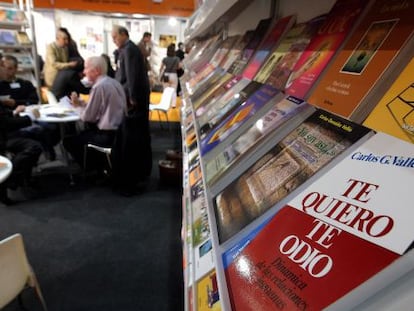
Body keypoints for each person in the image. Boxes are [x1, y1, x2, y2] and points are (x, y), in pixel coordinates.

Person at [63, 56, 126, 172]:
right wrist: (81, 104)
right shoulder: (114, 83)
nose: (84, 72)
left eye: (86, 68)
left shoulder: (99, 87)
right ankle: (97, 165)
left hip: (106, 135)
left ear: (96, 70)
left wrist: (77, 107)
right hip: (121, 133)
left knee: (68, 141)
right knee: (82, 136)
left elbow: (88, 117)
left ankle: (92, 169)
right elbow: (100, 108)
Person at [111, 25, 152, 194]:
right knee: (136, 136)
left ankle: (135, 175)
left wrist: (132, 98)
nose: (114, 40)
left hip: (133, 101)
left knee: (133, 137)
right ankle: (139, 173)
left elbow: (132, 75)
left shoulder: (129, 50)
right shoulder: (129, 49)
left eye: (115, 37)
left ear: (123, 34)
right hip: (132, 99)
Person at [0, 54, 59, 160]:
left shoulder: (25, 84)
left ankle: (48, 150)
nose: (6, 71)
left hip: (28, 114)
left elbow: (33, 100)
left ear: (16, 69)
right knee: (38, 130)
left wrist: (15, 103)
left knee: (51, 127)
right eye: (3, 68)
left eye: (9, 68)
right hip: (12, 121)